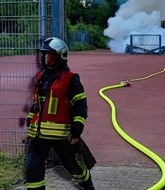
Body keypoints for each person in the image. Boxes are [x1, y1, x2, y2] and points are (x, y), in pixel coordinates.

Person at [25, 37, 95, 190]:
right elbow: (37, 103)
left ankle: (89, 186)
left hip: (63, 136)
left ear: (60, 57)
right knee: (32, 169)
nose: (47, 57)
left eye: (51, 54)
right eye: (45, 54)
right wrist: (30, 120)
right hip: (39, 136)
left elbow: (80, 106)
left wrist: (77, 130)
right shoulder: (41, 77)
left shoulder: (71, 79)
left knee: (75, 168)